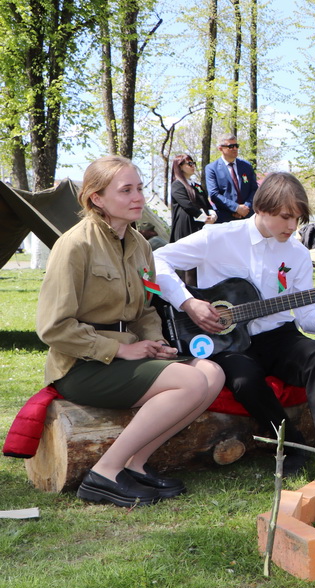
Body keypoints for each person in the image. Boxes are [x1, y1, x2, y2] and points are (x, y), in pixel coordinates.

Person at [36, 155, 226, 507]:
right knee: (191, 381)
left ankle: (135, 464)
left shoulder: (140, 245)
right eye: (126, 190)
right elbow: (53, 327)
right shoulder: (75, 245)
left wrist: (156, 341)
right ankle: (104, 473)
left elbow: (145, 310)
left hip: (127, 356)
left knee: (212, 373)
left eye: (139, 188)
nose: (138, 197)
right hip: (82, 365)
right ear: (96, 198)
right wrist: (120, 349)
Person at [154, 172, 315, 481]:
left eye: (298, 218)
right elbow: (156, 260)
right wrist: (188, 302)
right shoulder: (218, 237)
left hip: (277, 336)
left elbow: (305, 316)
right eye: (286, 217)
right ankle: (293, 445)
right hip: (225, 338)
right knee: (244, 380)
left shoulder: (297, 254)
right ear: (261, 208)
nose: (293, 226)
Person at [170, 153, 216, 285]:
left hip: (201, 226)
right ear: (180, 166)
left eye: (193, 163)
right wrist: (204, 218)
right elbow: (187, 204)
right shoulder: (177, 185)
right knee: (188, 265)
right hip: (187, 227)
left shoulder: (197, 186)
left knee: (200, 262)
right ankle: (189, 291)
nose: (192, 166)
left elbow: (207, 204)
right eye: (189, 163)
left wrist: (213, 215)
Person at [205, 134, 258, 223]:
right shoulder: (212, 168)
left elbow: (254, 190)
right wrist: (236, 208)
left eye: (236, 146)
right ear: (220, 148)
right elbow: (214, 194)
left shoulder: (246, 166)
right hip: (225, 218)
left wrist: (246, 207)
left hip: (248, 216)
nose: (235, 148)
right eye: (231, 146)